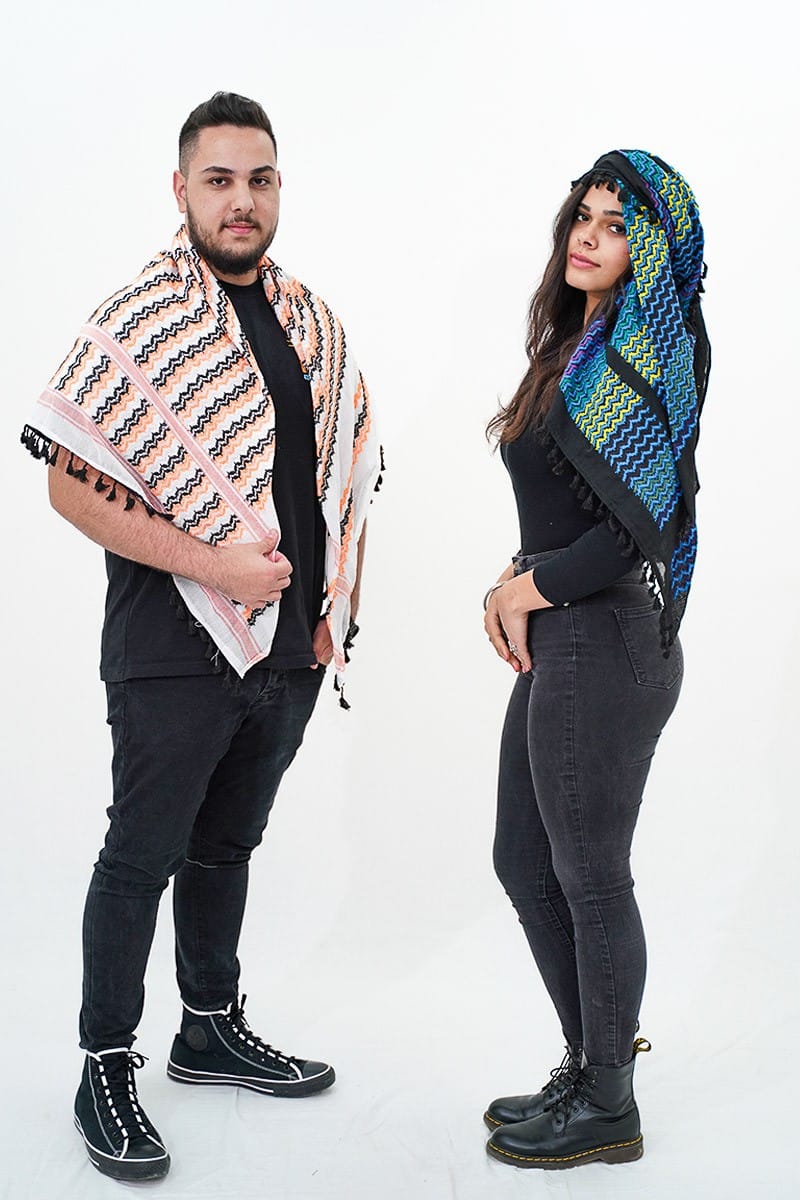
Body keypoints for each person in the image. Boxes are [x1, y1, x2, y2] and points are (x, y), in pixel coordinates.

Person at [21, 91, 381, 1183]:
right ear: (181, 190)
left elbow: (334, 479)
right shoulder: (141, 319)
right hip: (172, 642)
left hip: (289, 645)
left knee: (227, 845)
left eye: (258, 179)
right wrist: (217, 567)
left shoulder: (310, 321)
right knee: (141, 853)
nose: (241, 200)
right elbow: (68, 487)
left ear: (278, 189)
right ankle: (104, 1064)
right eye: (219, 180)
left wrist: (329, 607)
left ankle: (209, 1028)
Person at [481, 150, 709, 1171]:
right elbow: (565, 511)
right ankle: (587, 1067)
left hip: (605, 636)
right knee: (522, 858)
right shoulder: (573, 348)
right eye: (585, 212)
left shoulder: (652, 354)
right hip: (564, 628)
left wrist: (524, 593)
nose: (589, 234)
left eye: (618, 224)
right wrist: (516, 578)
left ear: (650, 249)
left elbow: (630, 532)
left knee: (588, 873)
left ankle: (608, 1102)